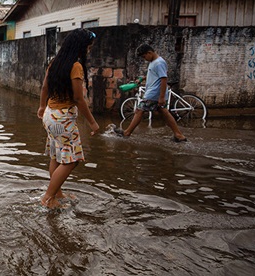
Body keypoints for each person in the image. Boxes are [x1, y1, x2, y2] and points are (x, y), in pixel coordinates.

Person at [37, 28, 100, 209]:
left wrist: (42, 107)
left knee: (56, 155)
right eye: (88, 47)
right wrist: (93, 123)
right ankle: (48, 199)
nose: (89, 50)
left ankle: (57, 193)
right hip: (62, 119)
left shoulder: (55, 62)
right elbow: (78, 99)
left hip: (50, 115)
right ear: (81, 46)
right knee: (71, 160)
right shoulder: (76, 66)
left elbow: (44, 88)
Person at [115, 44, 187, 142]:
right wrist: (142, 78)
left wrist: (161, 97)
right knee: (164, 112)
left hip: (154, 94)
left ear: (149, 52)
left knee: (139, 110)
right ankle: (178, 135)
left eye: (144, 56)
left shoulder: (159, 63)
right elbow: (153, 74)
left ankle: (127, 132)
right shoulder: (154, 62)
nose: (144, 59)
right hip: (155, 94)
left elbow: (164, 79)